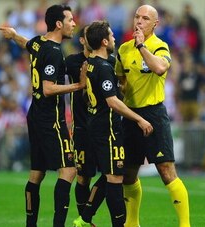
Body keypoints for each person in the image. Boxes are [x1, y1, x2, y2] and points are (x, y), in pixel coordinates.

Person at [0, 4, 86, 227]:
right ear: (59, 24)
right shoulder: (55, 52)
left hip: (35, 113)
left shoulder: (39, 41)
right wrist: (78, 85)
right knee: (69, 170)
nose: (74, 24)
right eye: (70, 20)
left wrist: (14, 35)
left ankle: (31, 224)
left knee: (36, 174)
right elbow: (48, 88)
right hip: (50, 118)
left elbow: (27, 44)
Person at [114, 5, 191, 227]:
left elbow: (159, 68)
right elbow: (122, 79)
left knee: (166, 171)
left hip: (154, 114)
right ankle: (132, 223)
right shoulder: (124, 49)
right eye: (137, 16)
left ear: (155, 24)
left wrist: (141, 46)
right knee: (128, 174)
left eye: (145, 18)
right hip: (130, 116)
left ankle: (185, 224)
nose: (139, 21)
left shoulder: (159, 47)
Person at [73, 20, 153, 227]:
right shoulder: (103, 67)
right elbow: (112, 101)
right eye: (111, 35)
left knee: (111, 175)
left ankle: (85, 218)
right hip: (107, 130)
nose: (115, 38)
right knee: (115, 181)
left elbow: (86, 95)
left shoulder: (89, 63)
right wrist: (139, 118)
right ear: (104, 41)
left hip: (94, 126)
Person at [66, 25, 116, 226]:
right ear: (82, 40)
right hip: (81, 128)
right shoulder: (71, 62)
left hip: (103, 127)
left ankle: (85, 217)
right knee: (83, 177)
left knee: (111, 173)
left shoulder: (109, 62)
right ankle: (85, 220)